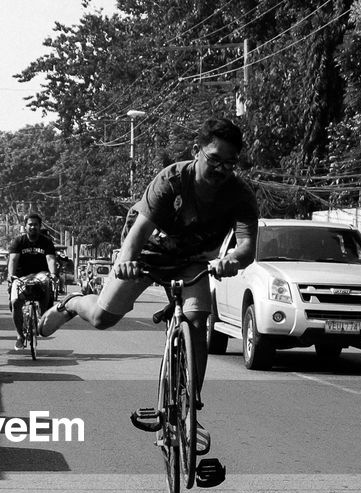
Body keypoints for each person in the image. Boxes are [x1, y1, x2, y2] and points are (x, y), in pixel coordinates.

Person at [37, 117, 258, 433]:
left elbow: (247, 246)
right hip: (146, 255)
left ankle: (189, 405)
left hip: (193, 261)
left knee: (197, 319)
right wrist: (125, 262)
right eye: (214, 160)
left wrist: (232, 260)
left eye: (230, 163)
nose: (221, 170)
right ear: (197, 151)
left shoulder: (239, 193)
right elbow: (138, 231)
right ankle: (72, 303)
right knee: (102, 317)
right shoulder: (171, 181)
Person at [6, 212, 58, 349]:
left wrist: (52, 274)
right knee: (16, 301)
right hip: (21, 276)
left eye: (35, 225)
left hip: (40, 274)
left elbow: (50, 259)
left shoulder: (46, 241)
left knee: (46, 281)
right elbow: (13, 259)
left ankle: (42, 315)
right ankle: (19, 336)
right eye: (30, 224)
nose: (33, 227)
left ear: (40, 226)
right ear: (25, 226)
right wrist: (11, 275)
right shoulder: (18, 241)